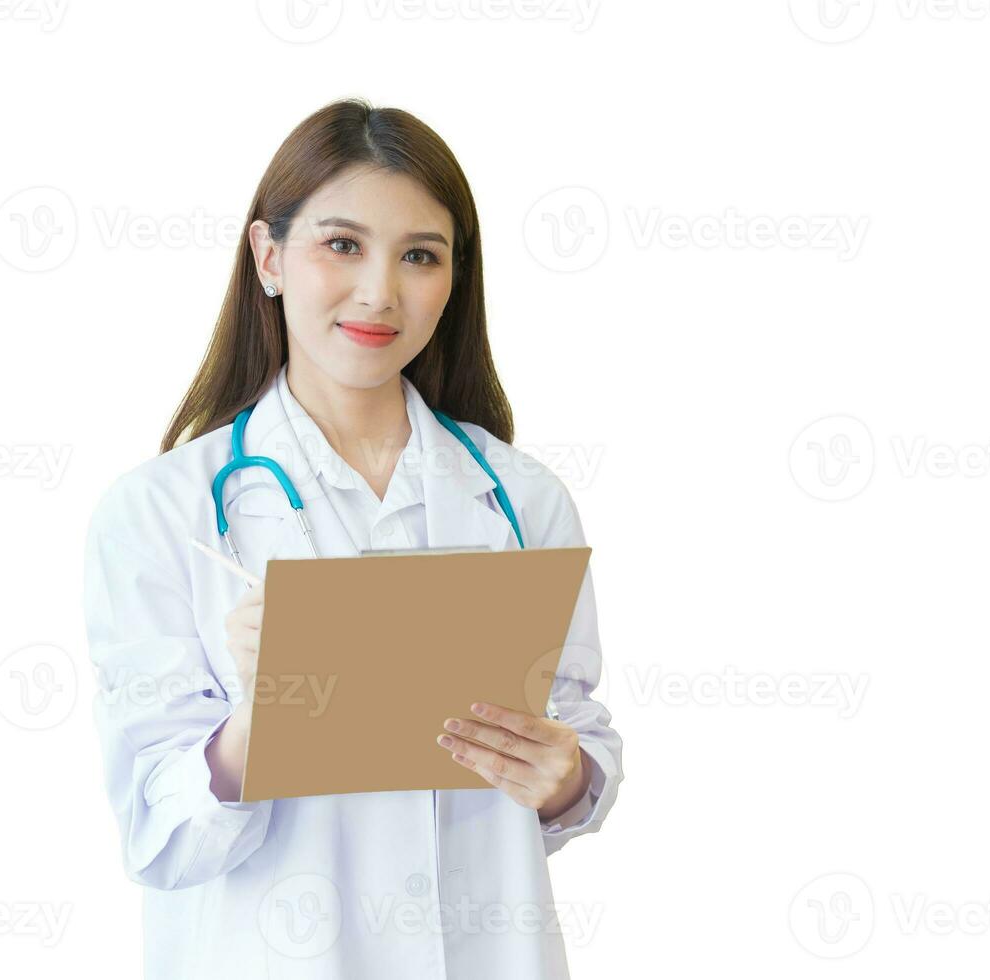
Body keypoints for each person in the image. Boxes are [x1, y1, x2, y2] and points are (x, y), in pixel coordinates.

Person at [80, 98, 623, 979]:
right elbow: (158, 835)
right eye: (342, 245)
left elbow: (579, 741)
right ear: (269, 257)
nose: (380, 291)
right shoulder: (160, 513)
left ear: (454, 279)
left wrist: (564, 777)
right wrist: (267, 717)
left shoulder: (521, 500)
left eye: (419, 255)